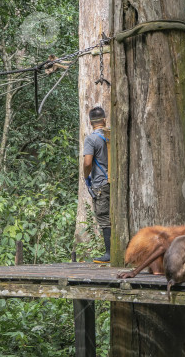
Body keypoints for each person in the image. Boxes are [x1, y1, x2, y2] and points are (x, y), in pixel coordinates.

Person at [83, 106, 111, 263]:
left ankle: (109, 254)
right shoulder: (110, 136)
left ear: (90, 122)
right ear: (104, 120)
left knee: (104, 216)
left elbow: (88, 162)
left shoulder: (91, 139)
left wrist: (85, 176)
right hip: (114, 181)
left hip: (100, 183)